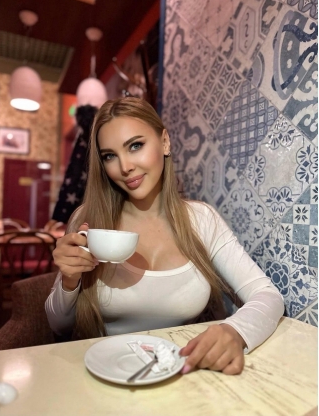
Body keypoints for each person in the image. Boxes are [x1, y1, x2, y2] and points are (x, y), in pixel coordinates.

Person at [45, 97, 284, 376]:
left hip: (179, 374)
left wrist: (235, 331)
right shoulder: (89, 220)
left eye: (135, 146)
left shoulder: (201, 220)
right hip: (105, 373)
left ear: (165, 142)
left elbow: (267, 295)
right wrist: (70, 281)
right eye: (109, 156)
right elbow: (58, 325)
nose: (125, 166)